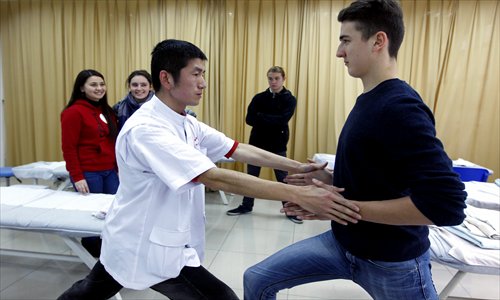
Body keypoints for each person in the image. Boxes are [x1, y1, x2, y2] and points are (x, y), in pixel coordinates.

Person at [58, 39, 361, 300]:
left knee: (90, 290)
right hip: (143, 239)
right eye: (197, 74)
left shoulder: (186, 121)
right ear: (167, 78)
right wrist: (299, 192)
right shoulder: (147, 128)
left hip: (147, 236)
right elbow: (212, 175)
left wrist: (301, 168)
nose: (203, 82)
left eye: (204, 73)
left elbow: (237, 148)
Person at [243, 1, 467, 299]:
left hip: (393, 261)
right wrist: (330, 181)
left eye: (346, 40)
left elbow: (447, 205)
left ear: (378, 41)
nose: (339, 52)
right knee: (256, 279)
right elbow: (378, 175)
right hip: (343, 242)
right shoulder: (369, 100)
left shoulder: (400, 106)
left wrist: (337, 207)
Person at [226, 66, 301, 224]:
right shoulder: (259, 98)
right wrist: (270, 119)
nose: (273, 82)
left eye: (276, 78)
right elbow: (249, 120)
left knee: (283, 179)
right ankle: (246, 206)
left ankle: (289, 209)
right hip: (257, 143)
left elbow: (281, 121)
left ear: (283, 79)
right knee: (251, 178)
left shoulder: (289, 99)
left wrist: (261, 116)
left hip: (277, 144)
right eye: (270, 79)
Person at [61, 69, 120, 257]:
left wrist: (118, 169)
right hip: (88, 172)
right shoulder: (73, 112)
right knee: (90, 215)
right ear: (81, 88)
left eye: (102, 84)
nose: (99, 88)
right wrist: (77, 176)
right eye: (93, 85)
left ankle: (110, 247)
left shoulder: (107, 111)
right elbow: (69, 148)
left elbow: (113, 143)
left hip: (109, 171)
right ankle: (92, 253)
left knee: (114, 210)